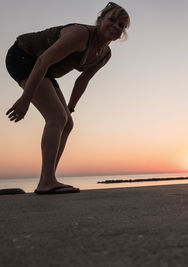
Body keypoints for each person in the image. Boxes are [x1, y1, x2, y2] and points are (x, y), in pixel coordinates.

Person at [5, 2, 130, 194]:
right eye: (112, 20)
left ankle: (48, 179)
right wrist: (25, 99)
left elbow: (83, 80)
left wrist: (70, 107)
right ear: (100, 20)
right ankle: (46, 182)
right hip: (24, 57)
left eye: (121, 25)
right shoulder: (80, 35)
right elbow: (43, 60)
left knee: (67, 123)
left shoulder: (104, 54)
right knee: (56, 118)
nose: (116, 26)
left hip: (45, 71)